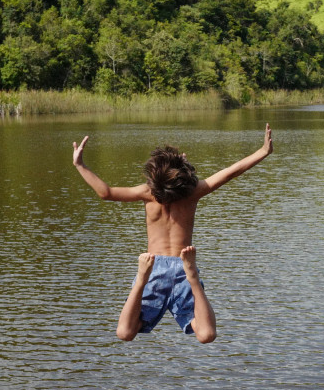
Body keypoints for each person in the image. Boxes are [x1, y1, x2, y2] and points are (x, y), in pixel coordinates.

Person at [72, 125, 273, 343]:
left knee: (125, 333)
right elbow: (230, 172)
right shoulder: (193, 191)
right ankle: (191, 278)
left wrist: (80, 165)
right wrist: (262, 151)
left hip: (151, 266)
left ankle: (141, 280)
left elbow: (106, 193)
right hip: (183, 263)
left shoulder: (148, 193)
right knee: (206, 335)